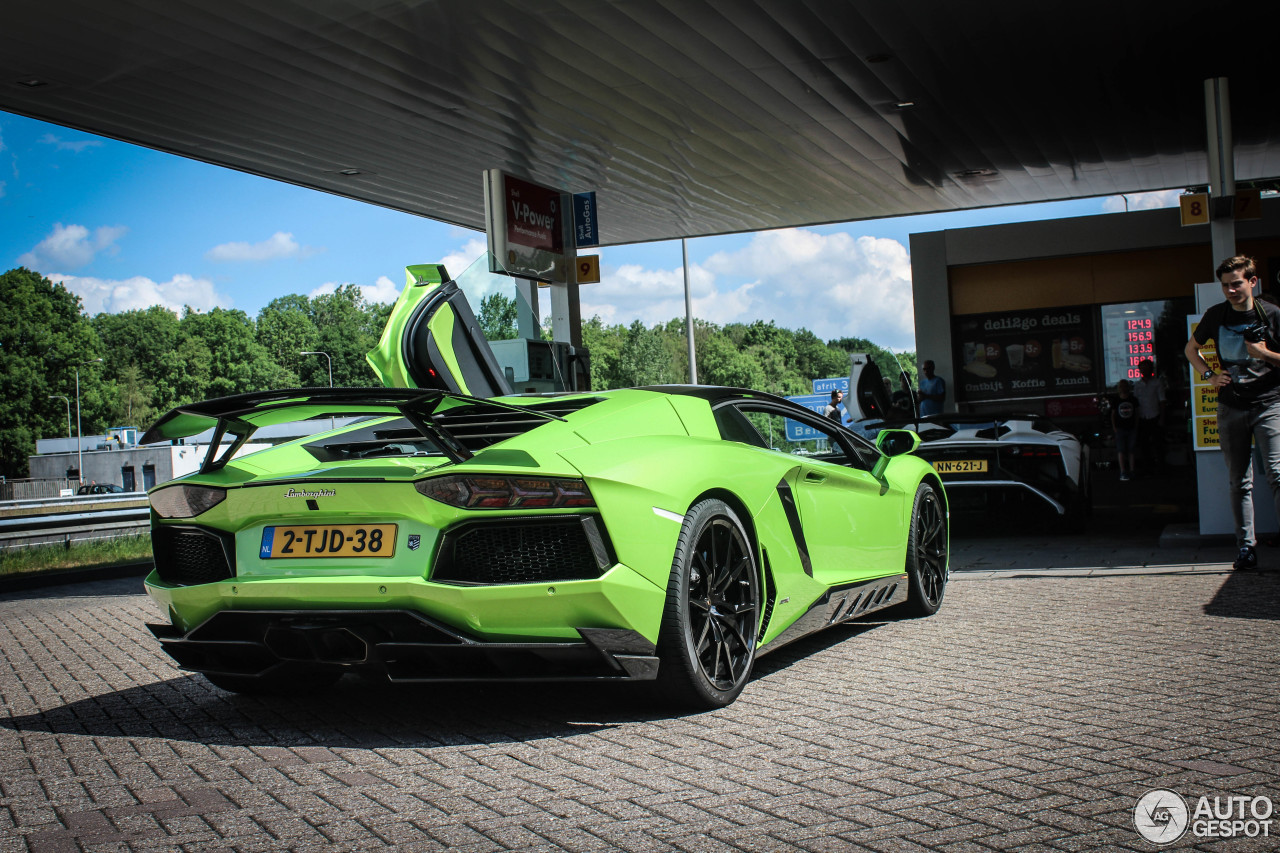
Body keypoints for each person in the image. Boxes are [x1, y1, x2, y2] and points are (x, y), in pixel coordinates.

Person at [1184, 255, 1280, 570]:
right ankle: (1246, 549)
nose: (1231, 290)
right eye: (1226, 285)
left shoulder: (1273, 315)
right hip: (1230, 406)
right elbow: (1190, 350)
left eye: (1237, 283)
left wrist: (1264, 353)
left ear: (1252, 282)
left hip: (1269, 403)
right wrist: (1210, 376)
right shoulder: (1216, 315)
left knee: (1278, 475)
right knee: (1239, 480)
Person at [1132, 358, 1166, 472]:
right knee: (1144, 444)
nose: (1144, 371)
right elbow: (1135, 403)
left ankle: (1161, 466)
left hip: (1154, 416)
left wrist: (1162, 417)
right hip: (1143, 417)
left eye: (1146, 368)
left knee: (1158, 443)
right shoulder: (1137, 385)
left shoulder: (1157, 383)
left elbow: (1162, 401)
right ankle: (1147, 467)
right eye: (1142, 369)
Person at [1110, 379, 1138, 481]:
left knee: (1131, 450)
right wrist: (1114, 427)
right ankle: (1123, 471)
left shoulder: (1133, 399)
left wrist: (1136, 425)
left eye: (1125, 386)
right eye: (1121, 386)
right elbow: (1112, 415)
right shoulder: (1116, 400)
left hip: (1131, 428)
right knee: (1121, 450)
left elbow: (1136, 413)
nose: (1123, 388)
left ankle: (1132, 470)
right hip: (1120, 428)